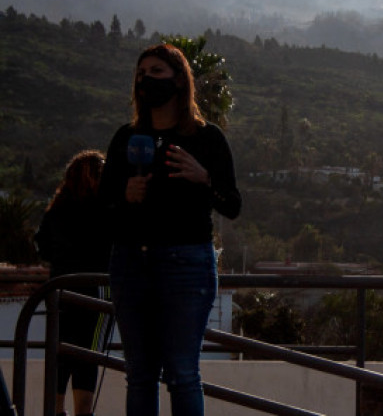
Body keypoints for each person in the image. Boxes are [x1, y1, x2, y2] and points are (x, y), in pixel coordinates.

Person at [98, 43, 241, 416]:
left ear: (179, 80)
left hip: (186, 263)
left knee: (181, 373)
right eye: (141, 73)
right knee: (140, 374)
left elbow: (232, 204)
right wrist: (125, 195)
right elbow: (102, 209)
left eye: (156, 72)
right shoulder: (124, 139)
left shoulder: (207, 139)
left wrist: (203, 177)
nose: (146, 79)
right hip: (130, 263)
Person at [35, 150, 113, 416]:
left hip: (61, 294)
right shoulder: (106, 210)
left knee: (60, 356)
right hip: (95, 294)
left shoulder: (56, 210)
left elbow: (43, 247)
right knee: (87, 359)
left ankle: (56, 411)